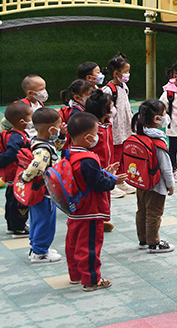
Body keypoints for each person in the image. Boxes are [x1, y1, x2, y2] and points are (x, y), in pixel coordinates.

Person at [64, 112, 126, 290]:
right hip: (90, 210)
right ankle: (92, 279)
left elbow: (86, 178)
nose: (98, 136)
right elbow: (98, 184)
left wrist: (106, 171)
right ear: (87, 137)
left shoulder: (70, 154)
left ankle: (75, 275)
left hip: (75, 208)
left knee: (73, 243)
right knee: (89, 245)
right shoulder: (88, 159)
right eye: (97, 133)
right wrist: (114, 180)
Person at [20, 107, 66, 263]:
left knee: (36, 219)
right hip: (44, 192)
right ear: (51, 129)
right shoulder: (43, 149)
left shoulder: (38, 141)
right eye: (58, 126)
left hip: (37, 192)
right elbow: (37, 166)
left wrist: (62, 135)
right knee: (45, 222)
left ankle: (36, 248)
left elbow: (57, 147)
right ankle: (40, 253)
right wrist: (25, 177)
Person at [130, 100, 175, 253]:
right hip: (156, 184)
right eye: (164, 114)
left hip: (141, 182)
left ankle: (143, 239)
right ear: (157, 119)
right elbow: (166, 167)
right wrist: (170, 185)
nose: (166, 116)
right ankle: (154, 242)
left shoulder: (139, 136)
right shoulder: (157, 142)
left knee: (141, 210)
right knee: (154, 213)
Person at [0, 102, 32, 237]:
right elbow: (12, 152)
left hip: (13, 177)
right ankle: (19, 227)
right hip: (18, 175)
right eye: (30, 117)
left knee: (11, 199)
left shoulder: (17, 134)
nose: (32, 120)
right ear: (22, 121)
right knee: (19, 201)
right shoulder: (17, 136)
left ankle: (11, 225)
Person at [84, 90, 119, 232]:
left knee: (106, 193)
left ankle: (104, 218)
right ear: (104, 110)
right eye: (112, 106)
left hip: (107, 168)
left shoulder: (107, 124)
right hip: (96, 168)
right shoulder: (92, 129)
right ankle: (98, 219)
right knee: (96, 195)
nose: (114, 108)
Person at [102, 55, 136, 197]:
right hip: (114, 129)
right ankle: (111, 182)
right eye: (126, 71)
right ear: (116, 73)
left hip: (125, 127)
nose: (128, 74)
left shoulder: (124, 87)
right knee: (113, 156)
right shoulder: (108, 90)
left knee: (122, 155)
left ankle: (121, 180)